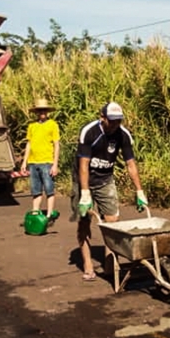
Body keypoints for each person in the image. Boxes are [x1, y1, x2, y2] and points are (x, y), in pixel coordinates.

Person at [72, 102, 148, 281]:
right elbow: (83, 165)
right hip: (84, 180)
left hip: (106, 180)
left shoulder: (123, 135)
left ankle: (109, 266)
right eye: (111, 121)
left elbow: (130, 164)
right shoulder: (89, 132)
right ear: (102, 118)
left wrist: (139, 191)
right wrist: (84, 193)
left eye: (118, 121)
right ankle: (88, 265)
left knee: (112, 224)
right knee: (84, 223)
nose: (115, 125)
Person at [20, 98, 60, 220]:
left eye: (44, 110)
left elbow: (57, 144)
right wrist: (24, 162)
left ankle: (49, 214)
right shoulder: (32, 126)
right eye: (40, 110)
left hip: (47, 162)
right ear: (36, 112)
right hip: (33, 162)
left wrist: (55, 164)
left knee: (49, 189)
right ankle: (35, 212)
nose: (42, 113)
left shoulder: (52, 124)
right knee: (35, 190)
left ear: (47, 112)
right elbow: (29, 144)